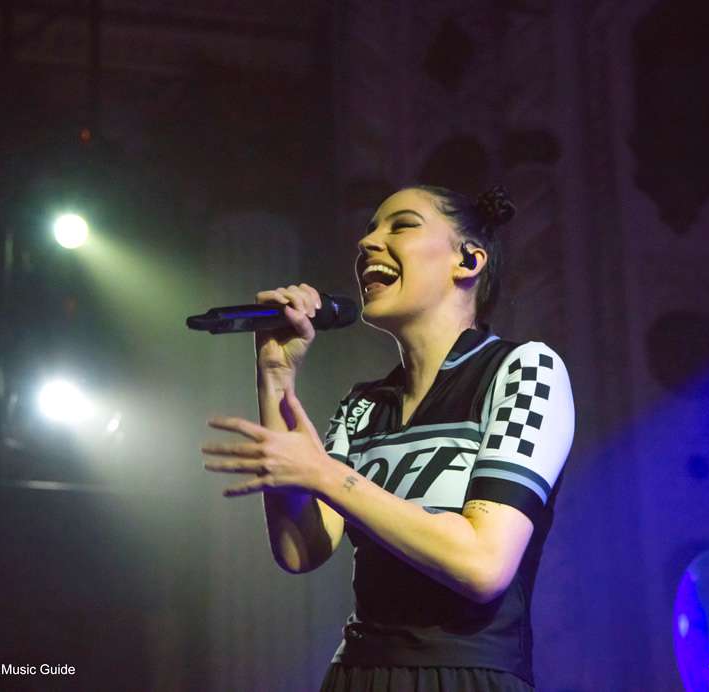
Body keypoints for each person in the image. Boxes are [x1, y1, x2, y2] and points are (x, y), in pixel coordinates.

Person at [202, 184, 574, 691]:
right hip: (359, 674)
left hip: (467, 676)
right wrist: (275, 376)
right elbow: (299, 550)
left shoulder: (523, 370)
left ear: (468, 260)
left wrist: (325, 474)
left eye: (402, 226)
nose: (367, 243)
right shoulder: (363, 405)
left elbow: (483, 563)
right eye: (369, 229)